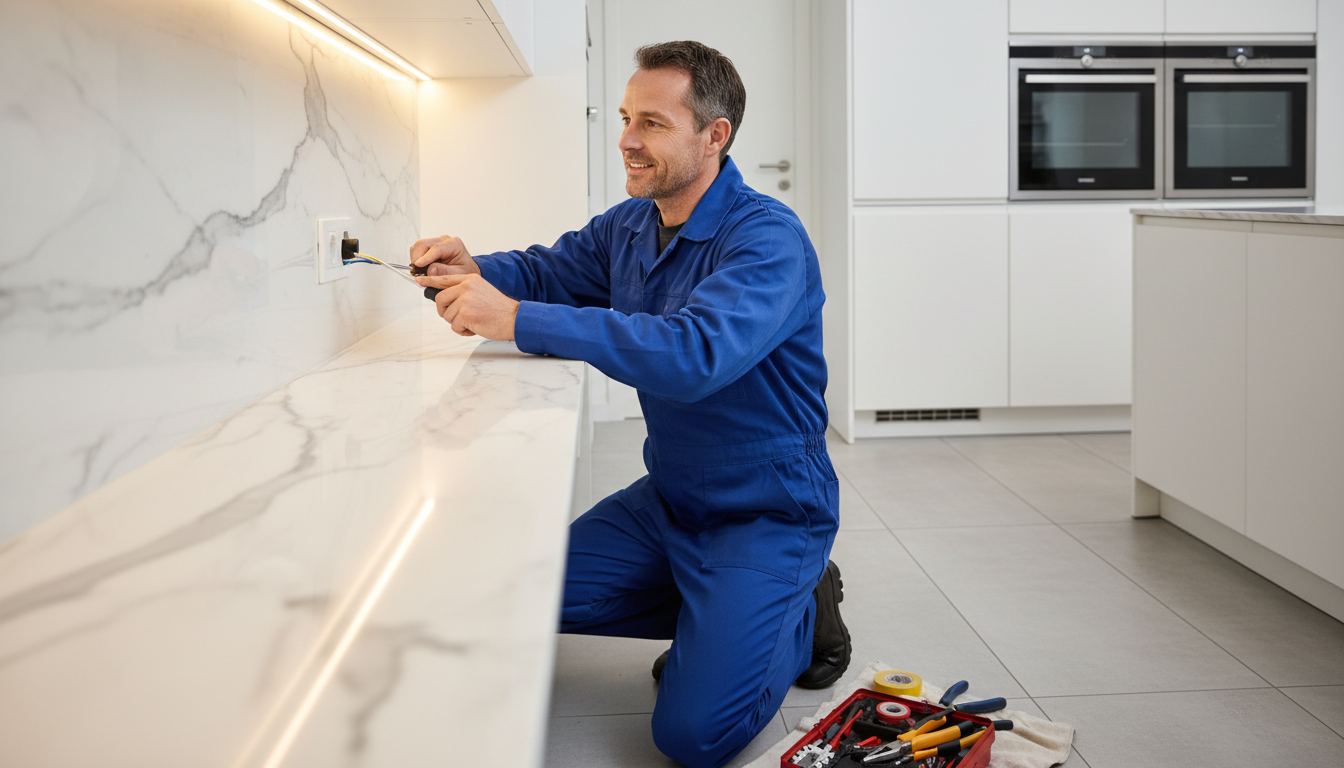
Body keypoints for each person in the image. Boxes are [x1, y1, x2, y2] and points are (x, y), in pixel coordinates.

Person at [410, 40, 848, 768]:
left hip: (766, 509)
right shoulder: (630, 226)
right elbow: (547, 273)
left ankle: (797, 608)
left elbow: (693, 355)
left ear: (714, 136)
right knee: (509, 593)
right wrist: (474, 267)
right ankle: (732, 613)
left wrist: (514, 319)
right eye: (625, 118)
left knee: (692, 736)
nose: (626, 140)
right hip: (669, 499)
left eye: (652, 123)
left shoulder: (768, 240)